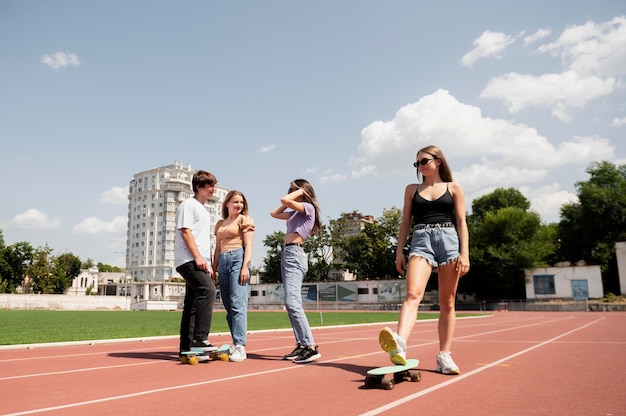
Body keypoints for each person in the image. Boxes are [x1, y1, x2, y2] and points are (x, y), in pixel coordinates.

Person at [379, 145, 470, 375]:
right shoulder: (411, 189)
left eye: (423, 161)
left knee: (447, 302)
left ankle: (444, 356)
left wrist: (465, 253)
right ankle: (399, 344)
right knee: (412, 294)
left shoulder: (454, 187)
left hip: (449, 240)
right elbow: (405, 222)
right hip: (420, 240)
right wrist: (399, 252)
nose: (419, 166)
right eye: (416, 163)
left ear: (437, 161)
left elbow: (462, 223)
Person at [270, 179, 322, 364]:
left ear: (302, 192)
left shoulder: (308, 207)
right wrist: (295, 193)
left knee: (293, 302)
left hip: (294, 254)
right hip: (287, 254)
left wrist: (298, 193)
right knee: (289, 302)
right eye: (290, 189)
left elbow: (284, 200)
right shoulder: (295, 213)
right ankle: (301, 344)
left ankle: (310, 346)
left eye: (294, 189)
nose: (290, 191)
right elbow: (274, 213)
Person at [175, 170, 219, 358]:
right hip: (189, 259)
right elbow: (186, 231)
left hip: (200, 260)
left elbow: (203, 239)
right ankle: (200, 338)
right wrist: (198, 257)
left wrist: (208, 263)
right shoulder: (188, 204)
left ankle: (187, 347)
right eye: (210, 186)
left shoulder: (203, 209)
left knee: (192, 303)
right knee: (208, 290)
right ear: (199, 187)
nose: (213, 189)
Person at [212, 190, 255, 362]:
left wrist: (245, 266)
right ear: (227, 204)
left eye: (241, 202)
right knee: (229, 307)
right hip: (223, 262)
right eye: (235, 202)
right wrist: (213, 269)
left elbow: (249, 244)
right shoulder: (220, 224)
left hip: (238, 260)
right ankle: (235, 343)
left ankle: (240, 346)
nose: (239, 205)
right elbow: (216, 249)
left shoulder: (244, 220)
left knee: (238, 305)